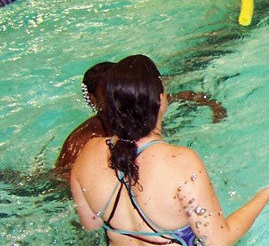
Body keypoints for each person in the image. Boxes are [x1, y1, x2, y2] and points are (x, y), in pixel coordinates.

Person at [69, 55, 269, 246]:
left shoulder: (88, 152)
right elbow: (219, 242)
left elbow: (91, 224)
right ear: (161, 100)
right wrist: (266, 194)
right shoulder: (180, 161)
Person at [54, 62, 227, 180]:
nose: (115, 97)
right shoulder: (84, 139)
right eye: (108, 93)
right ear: (93, 99)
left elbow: (186, 96)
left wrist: (215, 108)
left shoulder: (136, 107)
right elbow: (65, 181)